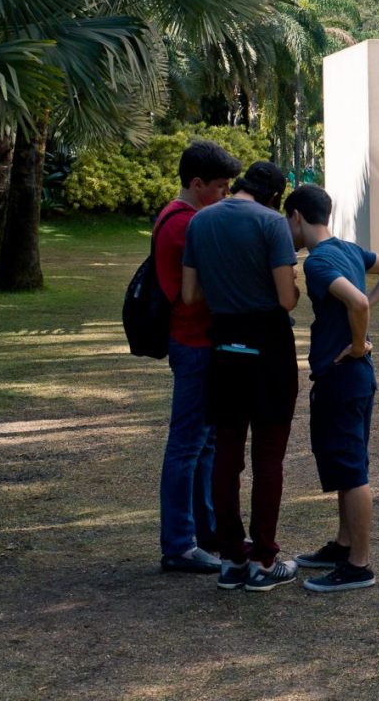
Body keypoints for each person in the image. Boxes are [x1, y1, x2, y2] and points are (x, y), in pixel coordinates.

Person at [181, 161, 301, 593]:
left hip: (224, 347)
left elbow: (191, 294)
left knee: (227, 456)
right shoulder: (272, 224)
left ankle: (231, 558)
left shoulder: (201, 221)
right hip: (268, 347)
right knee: (268, 458)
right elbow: (287, 299)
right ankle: (265, 561)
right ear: (274, 196)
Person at [282, 185, 379, 592]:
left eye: (287, 222)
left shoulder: (318, 262)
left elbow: (359, 304)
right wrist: (362, 311)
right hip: (352, 378)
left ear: (296, 216)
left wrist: (356, 342)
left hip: (345, 376)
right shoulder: (349, 250)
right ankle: (343, 544)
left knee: (352, 470)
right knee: (344, 465)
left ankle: (359, 566)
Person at [155, 140, 241, 574]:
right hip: (193, 343)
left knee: (204, 442)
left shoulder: (181, 217)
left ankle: (204, 531)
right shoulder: (186, 225)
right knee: (187, 444)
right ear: (197, 183)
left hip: (197, 340)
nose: (225, 196)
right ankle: (179, 544)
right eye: (221, 188)